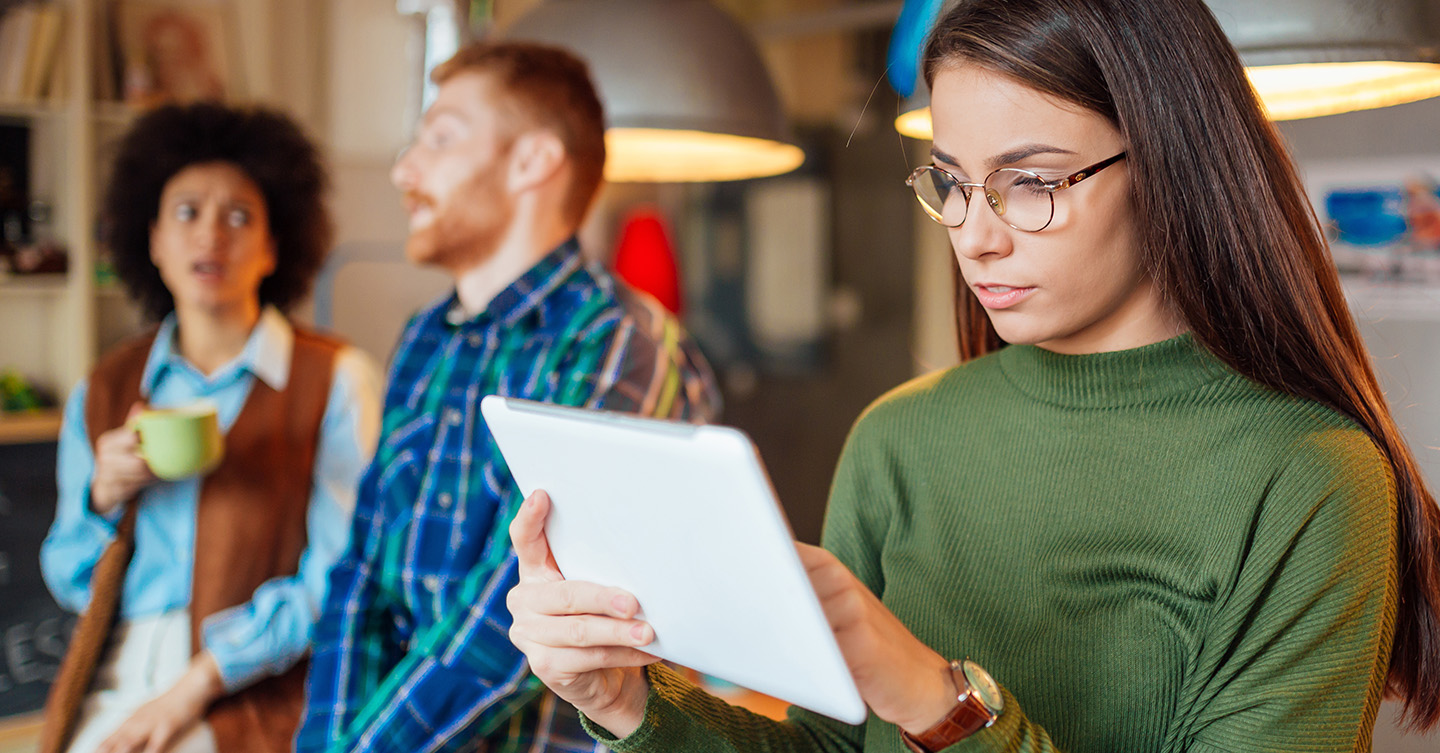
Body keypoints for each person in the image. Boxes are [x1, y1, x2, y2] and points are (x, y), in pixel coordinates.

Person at [503, 0, 1440, 750]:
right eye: (950, 182)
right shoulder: (899, 437)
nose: (975, 234)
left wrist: (936, 697)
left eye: (1031, 182)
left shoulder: (1310, 475)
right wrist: (631, 702)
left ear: (1166, 164)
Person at [295, 41, 720, 753]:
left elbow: (508, 621)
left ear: (532, 161)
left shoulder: (619, 341)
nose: (405, 169)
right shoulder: (426, 337)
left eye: (440, 137)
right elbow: (362, 575)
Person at [39, 103, 381, 753]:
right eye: (187, 212)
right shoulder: (105, 387)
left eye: (239, 215)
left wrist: (192, 686)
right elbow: (67, 573)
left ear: (275, 245)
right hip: (114, 662)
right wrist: (104, 500)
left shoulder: (337, 378)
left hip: (260, 676)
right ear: (153, 240)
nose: (210, 236)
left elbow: (340, 571)